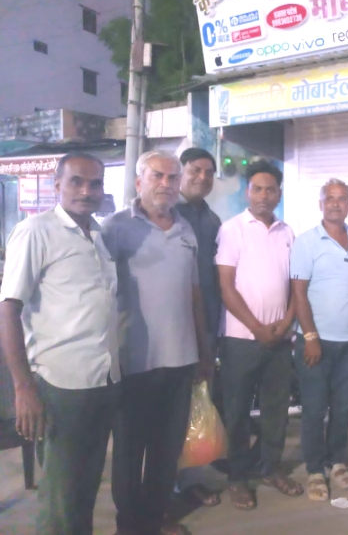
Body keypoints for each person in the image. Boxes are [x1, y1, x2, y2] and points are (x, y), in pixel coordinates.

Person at [0, 153, 119, 535]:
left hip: (101, 380)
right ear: (57, 186)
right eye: (76, 182)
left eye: (95, 183)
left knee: (85, 488)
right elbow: (8, 309)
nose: (86, 191)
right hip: (60, 384)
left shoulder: (98, 235)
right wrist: (23, 388)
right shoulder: (36, 231)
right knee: (61, 496)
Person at [103, 150, 214, 535]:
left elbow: (194, 293)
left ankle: (154, 519)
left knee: (166, 453)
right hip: (133, 363)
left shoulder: (186, 230)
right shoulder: (115, 229)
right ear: (139, 182)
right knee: (130, 452)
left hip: (181, 360)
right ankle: (128, 525)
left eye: (172, 177)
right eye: (157, 176)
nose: (166, 184)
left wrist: (203, 351)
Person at [215, 159, 300, 511]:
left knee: (276, 409)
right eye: (257, 189)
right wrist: (256, 327)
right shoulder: (232, 229)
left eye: (270, 190)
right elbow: (226, 286)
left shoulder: (287, 232)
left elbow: (296, 285)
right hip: (240, 339)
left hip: (280, 338)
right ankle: (238, 478)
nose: (264, 195)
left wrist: (287, 322)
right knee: (236, 411)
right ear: (248, 192)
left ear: (279, 193)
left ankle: (269, 468)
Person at [290, 178, 348, 501]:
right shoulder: (306, 242)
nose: (336, 203)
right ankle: (314, 469)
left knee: (342, 407)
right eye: (330, 198)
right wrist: (310, 336)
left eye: (342, 198)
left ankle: (336, 461)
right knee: (314, 408)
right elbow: (298, 293)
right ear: (321, 204)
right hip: (315, 342)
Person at [174, 147, 223, 507]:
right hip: (169, 328)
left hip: (205, 324)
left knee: (195, 407)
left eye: (208, 172)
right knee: (166, 411)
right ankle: (160, 488)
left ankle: (188, 480)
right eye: (195, 170)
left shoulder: (211, 220)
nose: (202, 177)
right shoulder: (164, 213)